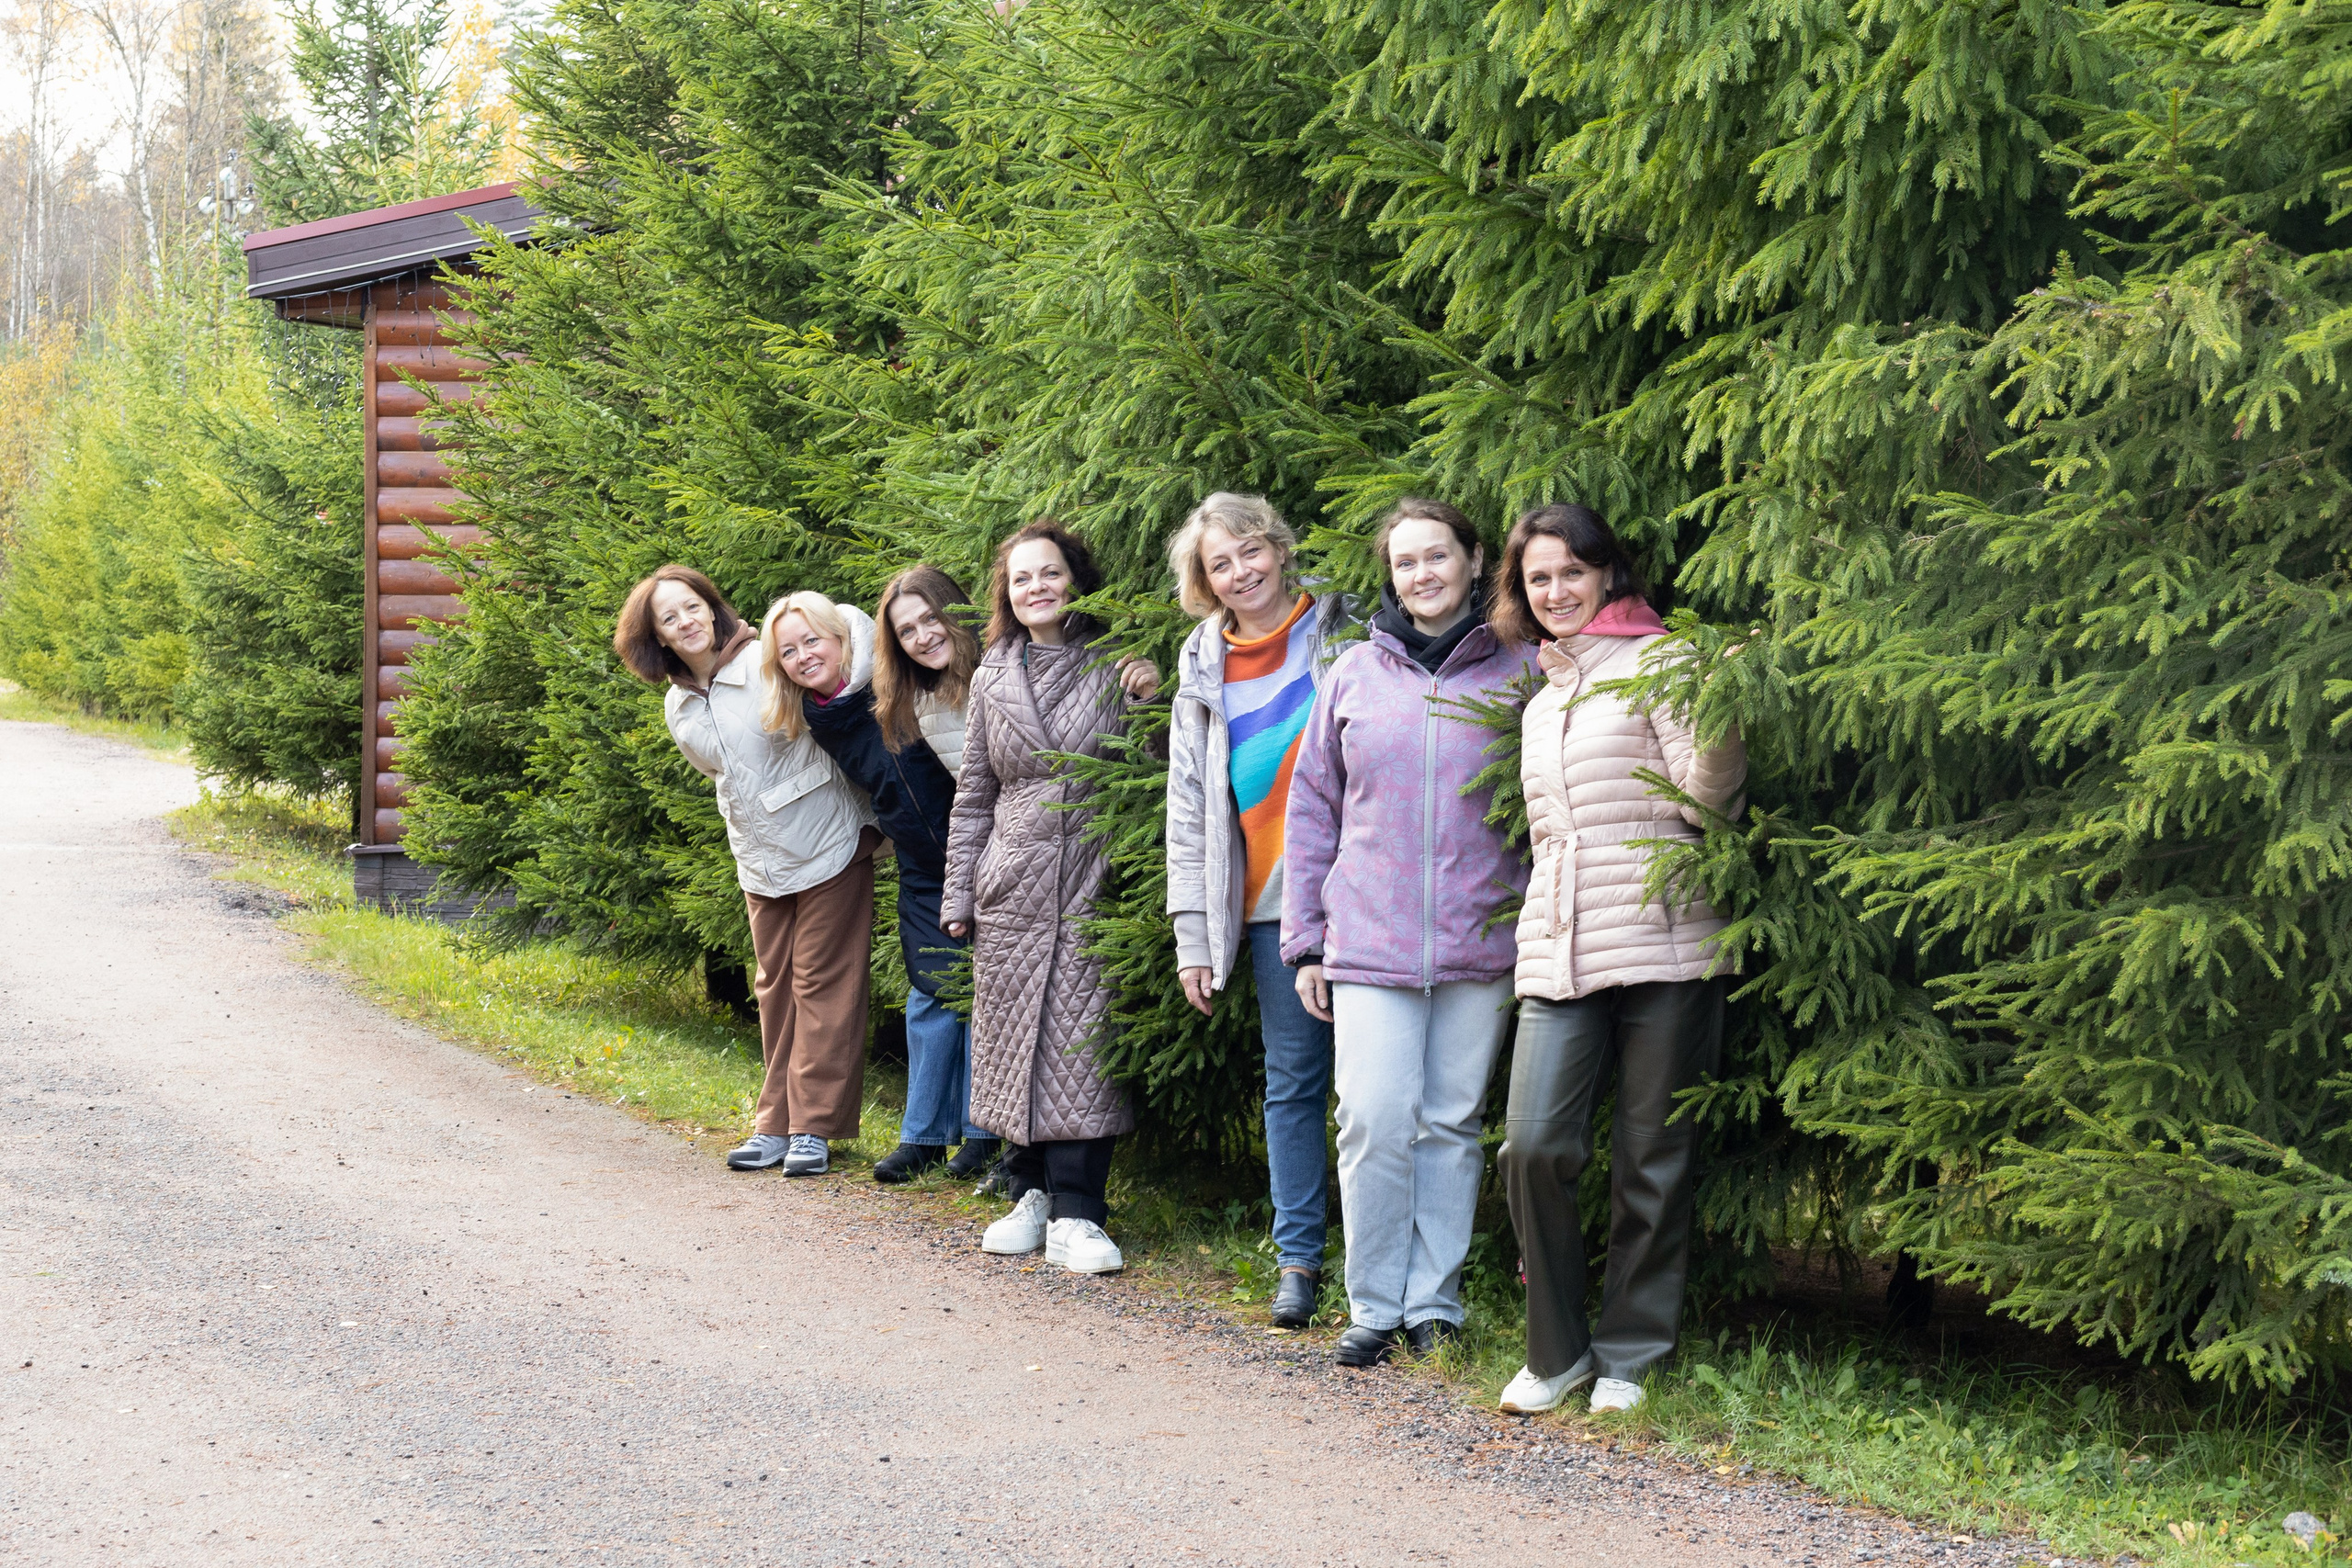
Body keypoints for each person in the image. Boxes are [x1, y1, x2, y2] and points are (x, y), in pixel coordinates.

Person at [1488, 503, 1747, 1416]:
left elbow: (1708, 808)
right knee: (1532, 1146)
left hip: (1666, 941)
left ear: (1607, 573)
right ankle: (1556, 1352)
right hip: (1560, 949)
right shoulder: (1544, 698)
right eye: (1538, 577)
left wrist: (1718, 714)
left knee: (1652, 1159)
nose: (1555, 590)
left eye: (1571, 571)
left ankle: (1629, 1354)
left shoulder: (1665, 662)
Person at [1282, 498, 1538, 1366]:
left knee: (1452, 1123)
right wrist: (1306, 939)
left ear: (1474, 559)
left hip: (1481, 939)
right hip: (1369, 939)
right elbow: (1312, 807)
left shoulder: (1522, 671)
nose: (1422, 574)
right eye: (1405, 562)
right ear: (1390, 576)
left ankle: (1434, 1302)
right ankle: (1373, 1302)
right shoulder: (1353, 673)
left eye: (1438, 556)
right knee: (1372, 1118)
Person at [942, 520, 1159, 1275]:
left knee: (1079, 1046)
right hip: (1011, 883)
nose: (1037, 587)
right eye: (1022, 577)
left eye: (1050, 572)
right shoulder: (992, 675)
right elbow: (975, 793)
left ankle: (1079, 1213)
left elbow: (1160, 767)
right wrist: (960, 891)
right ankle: (1028, 1193)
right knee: (1011, 1041)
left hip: (1091, 878)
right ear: (1006, 593)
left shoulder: (1115, 661)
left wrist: (1151, 699)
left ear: (1076, 578)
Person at [613, 565, 877, 1179]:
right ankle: (775, 1124)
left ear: (711, 607)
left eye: (692, 606)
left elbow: (849, 633)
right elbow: (721, 776)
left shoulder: (764, 658)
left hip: (827, 841)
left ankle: (813, 1127)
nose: (686, 621)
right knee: (774, 987)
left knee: (822, 985)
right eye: (669, 617)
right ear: (657, 637)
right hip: (759, 861)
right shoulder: (679, 705)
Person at [1165, 491, 1350, 1330]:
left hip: (1369, 894)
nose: (1242, 572)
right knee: (1295, 1084)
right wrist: (1194, 936)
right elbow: (1189, 806)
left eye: (1251, 551)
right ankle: (1299, 1260)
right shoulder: (1202, 665)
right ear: (1204, 581)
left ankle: (1393, 1268)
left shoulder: (1341, 630)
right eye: (1221, 563)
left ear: (1278, 547)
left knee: (1380, 1095)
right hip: (1274, 906)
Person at [773, 577, 983, 1184]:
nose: (804, 656)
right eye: (789, 651)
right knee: (930, 991)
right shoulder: (819, 715)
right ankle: (923, 1136)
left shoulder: (893, 679)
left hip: (978, 850)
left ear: (843, 638)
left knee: (983, 994)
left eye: (813, 640)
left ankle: (982, 1134)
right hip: (920, 864)